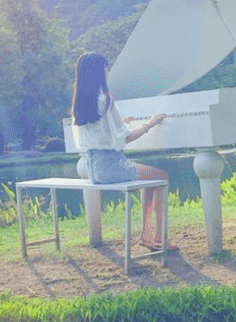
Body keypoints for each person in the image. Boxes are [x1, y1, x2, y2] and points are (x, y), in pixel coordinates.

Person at [71, 51, 173, 251]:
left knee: (150, 182)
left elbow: (100, 132)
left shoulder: (81, 104)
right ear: (100, 72)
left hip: (94, 170)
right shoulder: (105, 99)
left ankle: (147, 235)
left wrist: (120, 125)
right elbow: (125, 139)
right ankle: (158, 238)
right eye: (106, 67)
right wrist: (149, 124)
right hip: (111, 167)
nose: (108, 71)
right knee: (161, 177)